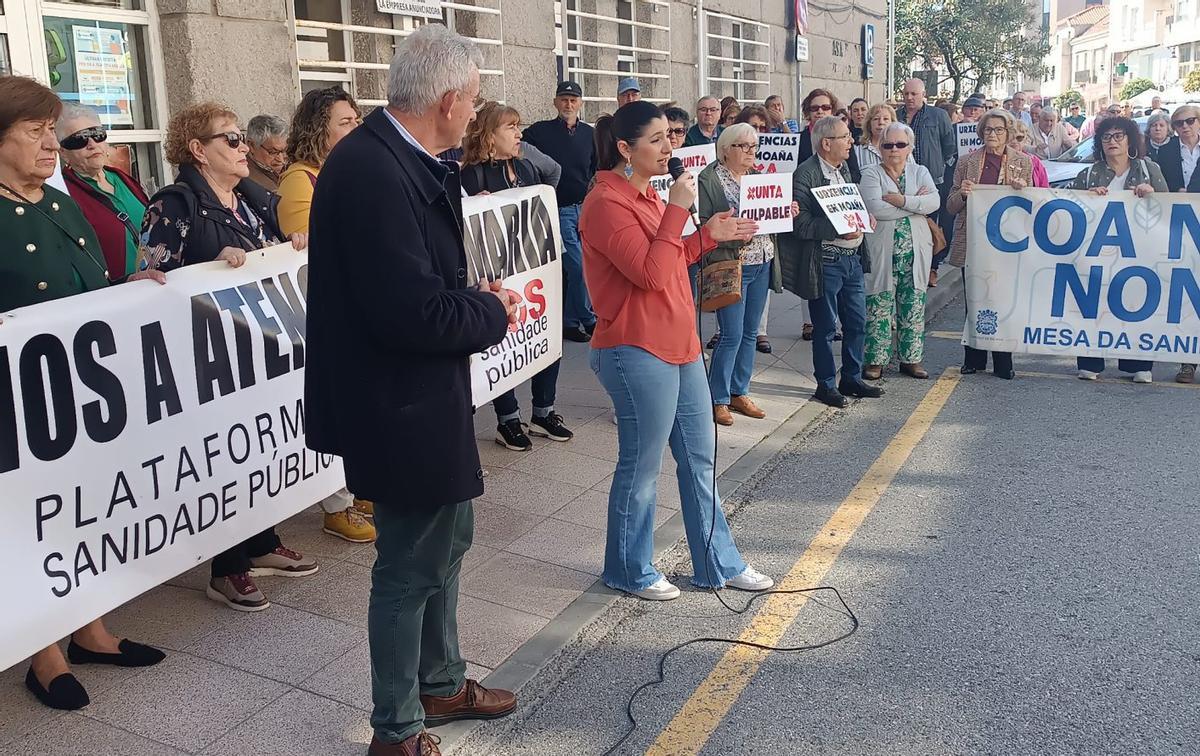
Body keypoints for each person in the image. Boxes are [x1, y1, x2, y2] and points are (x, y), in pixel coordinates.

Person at [306, 25, 520, 756]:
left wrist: (469, 301)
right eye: (477, 98)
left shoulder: (398, 155)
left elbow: (419, 290)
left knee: (447, 540)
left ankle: (440, 681)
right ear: (452, 100)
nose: (478, 111)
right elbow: (411, 313)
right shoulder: (371, 168)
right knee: (408, 565)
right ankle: (396, 730)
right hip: (395, 404)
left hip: (419, 396)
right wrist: (493, 310)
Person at [0, 74, 167, 712]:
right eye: (36, 132)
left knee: (87, 508)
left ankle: (92, 629)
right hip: (22, 401)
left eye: (52, 133)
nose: (52, 144)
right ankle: (45, 655)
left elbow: (89, 279)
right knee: (36, 520)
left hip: (84, 394)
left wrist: (134, 281)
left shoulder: (59, 198)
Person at [578, 101, 771, 601]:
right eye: (658, 140)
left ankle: (717, 562)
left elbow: (671, 256)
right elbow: (648, 272)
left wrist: (707, 236)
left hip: (681, 343)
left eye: (672, 136)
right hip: (635, 346)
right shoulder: (605, 203)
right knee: (643, 466)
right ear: (625, 149)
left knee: (700, 458)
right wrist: (681, 212)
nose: (670, 147)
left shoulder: (647, 194)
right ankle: (628, 568)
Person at [140, 102, 315, 609]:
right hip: (206, 359)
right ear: (198, 150)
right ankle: (227, 566)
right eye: (230, 140)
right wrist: (209, 267)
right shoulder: (174, 204)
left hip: (257, 351)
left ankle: (261, 541)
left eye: (242, 138)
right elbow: (151, 281)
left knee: (261, 445)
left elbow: (272, 250)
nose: (243, 149)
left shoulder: (249, 199)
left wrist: (291, 245)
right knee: (225, 454)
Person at [272, 85, 377, 544]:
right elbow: (308, 244)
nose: (356, 128)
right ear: (320, 129)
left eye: (357, 120)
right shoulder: (302, 179)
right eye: (345, 122)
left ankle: (356, 485)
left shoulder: (346, 169)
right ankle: (336, 503)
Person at [461, 102, 574, 450]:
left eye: (518, 125)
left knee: (545, 335)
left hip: (539, 267)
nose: (519, 133)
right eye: (510, 127)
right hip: (500, 274)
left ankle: (544, 410)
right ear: (489, 135)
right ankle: (507, 418)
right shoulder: (472, 173)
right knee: (505, 342)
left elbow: (551, 183)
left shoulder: (526, 165)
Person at [781, 115, 884, 408]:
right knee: (825, 328)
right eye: (845, 137)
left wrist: (864, 217)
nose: (851, 142)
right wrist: (836, 228)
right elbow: (800, 224)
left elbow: (849, 206)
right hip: (826, 260)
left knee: (857, 322)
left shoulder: (844, 169)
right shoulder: (805, 174)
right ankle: (825, 385)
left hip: (851, 258)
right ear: (827, 143)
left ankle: (851, 377)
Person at [697, 122, 794, 424]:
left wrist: (785, 210)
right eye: (744, 146)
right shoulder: (709, 179)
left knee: (751, 332)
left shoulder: (759, 178)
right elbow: (701, 222)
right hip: (731, 264)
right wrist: (730, 228)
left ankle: (739, 390)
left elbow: (770, 215)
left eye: (754, 146)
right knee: (731, 334)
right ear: (726, 149)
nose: (751, 152)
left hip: (762, 260)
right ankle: (718, 397)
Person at [1069, 115, 1167, 384]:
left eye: (1118, 136)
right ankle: (1090, 361)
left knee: (1137, 304)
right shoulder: (1089, 173)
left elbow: (1168, 211)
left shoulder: (1149, 170)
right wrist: (1086, 196)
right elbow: (1068, 206)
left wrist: (1152, 195)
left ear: (1130, 140)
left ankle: (1139, 364)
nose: (1112, 142)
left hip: (1139, 252)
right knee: (1094, 304)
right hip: (1098, 253)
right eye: (1106, 137)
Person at [946, 108, 1034, 380]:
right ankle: (974, 358)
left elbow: (1032, 206)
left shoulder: (1023, 162)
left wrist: (1022, 189)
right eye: (987, 130)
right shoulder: (966, 162)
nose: (992, 134)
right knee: (974, 298)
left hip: (1005, 243)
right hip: (973, 240)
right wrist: (962, 193)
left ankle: (1003, 359)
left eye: (998, 130)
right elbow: (950, 206)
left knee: (1002, 300)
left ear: (1008, 133)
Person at [859, 122, 938, 380]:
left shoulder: (920, 171)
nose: (894, 149)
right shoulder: (871, 174)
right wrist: (917, 204)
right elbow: (875, 208)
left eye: (900, 144)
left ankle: (911, 359)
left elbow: (934, 202)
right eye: (888, 145)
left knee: (913, 304)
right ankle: (875, 361)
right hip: (883, 251)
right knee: (879, 306)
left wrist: (901, 200)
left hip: (915, 252)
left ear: (909, 147)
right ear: (879, 148)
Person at [523, 80, 597, 343]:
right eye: (564, 99)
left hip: (585, 208)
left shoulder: (590, 134)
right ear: (555, 102)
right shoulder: (539, 132)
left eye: (573, 99)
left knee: (586, 265)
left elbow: (596, 169)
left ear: (580, 103)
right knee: (577, 267)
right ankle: (584, 319)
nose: (568, 104)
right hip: (558, 210)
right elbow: (519, 150)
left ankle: (572, 320)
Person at [56, 102, 148, 281]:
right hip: (112, 294)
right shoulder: (63, 193)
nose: (92, 144)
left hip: (154, 284)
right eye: (79, 139)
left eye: (97, 134)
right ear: (63, 152)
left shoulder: (122, 179)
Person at [1153, 105, 1200, 384]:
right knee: (1186, 296)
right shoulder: (1166, 152)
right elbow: (1158, 185)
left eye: (1190, 121)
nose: (1184, 127)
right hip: (1178, 230)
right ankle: (1188, 361)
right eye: (1178, 123)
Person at [244, 114, 288, 191]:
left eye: (284, 151)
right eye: (273, 152)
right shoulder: (248, 181)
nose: (281, 159)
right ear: (252, 146)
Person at [853, 103, 900, 171]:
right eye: (876, 119)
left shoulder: (902, 149)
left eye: (885, 119)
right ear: (869, 124)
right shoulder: (857, 151)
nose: (881, 122)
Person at [1010, 120, 1051, 188]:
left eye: (1019, 138)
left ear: (1025, 140)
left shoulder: (1035, 161)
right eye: (1011, 138)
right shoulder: (998, 159)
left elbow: (1044, 189)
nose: (1014, 141)